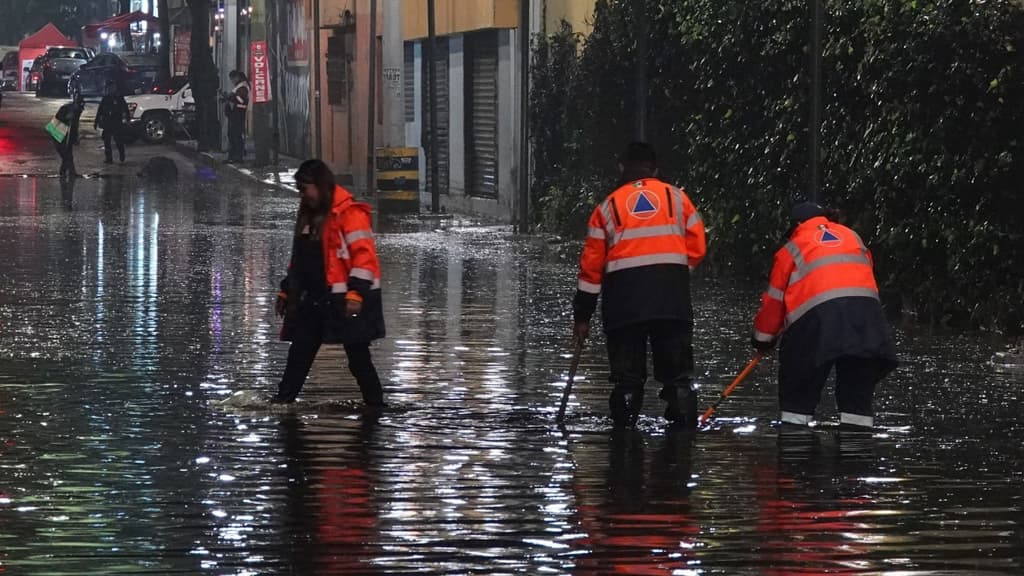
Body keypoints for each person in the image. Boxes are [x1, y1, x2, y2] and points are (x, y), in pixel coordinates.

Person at [573, 142, 707, 427]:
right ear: (655, 169)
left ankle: (622, 449)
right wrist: (674, 274)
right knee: (679, 379)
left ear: (621, 168)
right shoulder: (677, 198)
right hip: (671, 300)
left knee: (627, 381)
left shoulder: (607, 207)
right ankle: (683, 448)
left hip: (624, 303)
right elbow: (697, 247)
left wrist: (582, 316)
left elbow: (591, 269)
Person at [751, 202, 898, 429]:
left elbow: (774, 302)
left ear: (797, 225)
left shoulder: (792, 248)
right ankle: (855, 455)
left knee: (796, 401)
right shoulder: (852, 237)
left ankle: (795, 452)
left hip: (815, 324)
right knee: (857, 405)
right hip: (866, 323)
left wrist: (762, 340)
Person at [272, 159, 386, 408]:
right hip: (315, 300)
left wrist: (356, 293)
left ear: (320, 186)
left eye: (306, 188)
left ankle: (376, 406)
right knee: (299, 353)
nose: (303, 195)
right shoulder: (309, 217)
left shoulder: (350, 214)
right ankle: (282, 402)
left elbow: (364, 259)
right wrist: (286, 290)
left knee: (358, 358)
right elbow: (299, 260)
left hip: (345, 301)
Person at [95, 81, 129, 164]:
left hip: (117, 122)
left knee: (118, 140)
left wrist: (127, 118)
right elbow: (100, 111)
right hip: (107, 123)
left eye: (113, 88)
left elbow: (125, 109)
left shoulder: (119, 97)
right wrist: (96, 122)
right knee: (107, 142)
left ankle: (122, 154)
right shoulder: (105, 98)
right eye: (110, 88)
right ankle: (109, 158)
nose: (111, 89)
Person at [53, 95, 85, 180]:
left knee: (69, 155)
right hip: (57, 131)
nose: (81, 110)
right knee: (65, 154)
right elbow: (57, 119)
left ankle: (70, 172)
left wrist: (75, 138)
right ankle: (66, 172)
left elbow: (75, 125)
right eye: (80, 106)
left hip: (68, 133)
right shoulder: (66, 108)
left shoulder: (77, 111)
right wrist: (66, 118)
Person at [221, 70, 249, 164]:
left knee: (235, 135)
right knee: (232, 135)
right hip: (234, 114)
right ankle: (233, 156)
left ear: (237, 77)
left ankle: (237, 156)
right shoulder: (238, 87)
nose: (232, 81)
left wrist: (230, 97)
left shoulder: (243, 87)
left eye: (232, 78)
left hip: (238, 114)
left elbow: (240, 100)